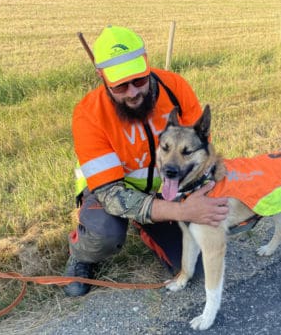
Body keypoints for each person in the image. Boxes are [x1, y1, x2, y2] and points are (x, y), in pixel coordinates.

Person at [65, 25, 229, 297]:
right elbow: (112, 195)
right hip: (112, 192)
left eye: (139, 81)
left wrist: (209, 195)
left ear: (147, 64)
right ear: (101, 76)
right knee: (105, 233)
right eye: (120, 85)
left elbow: (199, 154)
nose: (132, 93)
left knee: (195, 265)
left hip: (169, 189)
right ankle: (81, 253)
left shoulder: (175, 88)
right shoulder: (88, 115)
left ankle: (147, 226)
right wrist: (181, 212)